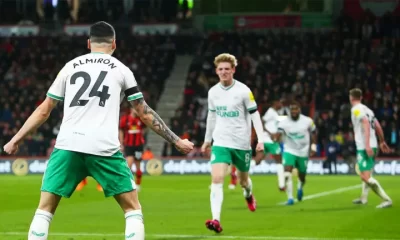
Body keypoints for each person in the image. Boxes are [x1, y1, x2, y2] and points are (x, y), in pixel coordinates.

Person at [3, 21, 193, 240]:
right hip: (104, 147)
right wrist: (176, 140)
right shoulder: (122, 70)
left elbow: (44, 111)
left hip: (68, 145)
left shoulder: (69, 67)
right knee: (132, 210)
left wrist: (16, 138)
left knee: (44, 209)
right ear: (114, 43)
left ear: (88, 43)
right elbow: (144, 112)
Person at [201, 53, 264, 233]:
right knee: (217, 178)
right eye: (220, 69)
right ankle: (216, 219)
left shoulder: (244, 91)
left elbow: (255, 115)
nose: (223, 72)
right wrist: (207, 140)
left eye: (227, 69)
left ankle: (248, 195)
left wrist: (261, 139)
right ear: (216, 71)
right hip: (221, 142)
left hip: (241, 144)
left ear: (233, 70)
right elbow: (211, 117)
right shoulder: (213, 92)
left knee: (244, 181)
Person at [349, 88, 392, 208]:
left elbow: (365, 123)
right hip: (372, 145)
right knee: (366, 172)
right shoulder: (368, 110)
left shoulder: (356, 109)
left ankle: (387, 200)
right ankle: (363, 198)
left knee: (365, 176)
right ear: (361, 97)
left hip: (365, 146)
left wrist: (367, 145)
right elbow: (377, 125)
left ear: (351, 98)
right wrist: (382, 140)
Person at [272, 101, 317, 205]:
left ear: (299, 110)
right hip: (289, 150)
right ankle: (290, 198)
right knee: (287, 172)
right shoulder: (283, 122)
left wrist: (313, 146)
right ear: (289, 111)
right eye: (292, 109)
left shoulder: (307, 121)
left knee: (302, 175)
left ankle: (300, 186)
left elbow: (314, 133)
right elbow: (279, 134)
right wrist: (275, 138)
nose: (294, 111)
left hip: (303, 151)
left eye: (296, 109)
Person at [254, 98, 285, 191]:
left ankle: (239, 171)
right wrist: (271, 133)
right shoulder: (271, 112)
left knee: (257, 160)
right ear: (275, 102)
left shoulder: (275, 113)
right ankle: (282, 185)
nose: (281, 104)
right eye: (280, 102)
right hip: (269, 141)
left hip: (265, 140)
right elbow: (261, 122)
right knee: (279, 160)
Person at [120, 108, 147, 191]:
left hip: (138, 146)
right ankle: (129, 184)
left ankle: (138, 184)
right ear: (131, 109)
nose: (137, 110)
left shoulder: (140, 119)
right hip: (129, 146)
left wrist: (141, 136)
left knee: (138, 165)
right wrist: (121, 142)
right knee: (129, 165)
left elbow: (145, 126)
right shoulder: (126, 119)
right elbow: (121, 130)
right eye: (135, 109)